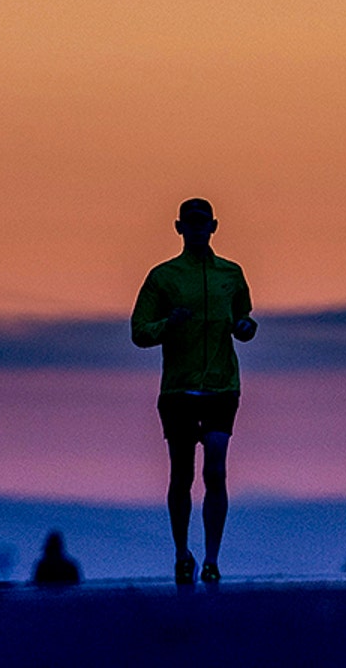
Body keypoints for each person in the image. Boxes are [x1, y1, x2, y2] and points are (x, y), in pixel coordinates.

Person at [130, 197, 258, 585]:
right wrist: (170, 323)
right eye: (191, 223)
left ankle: (212, 559)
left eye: (204, 224)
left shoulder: (231, 274)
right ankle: (182, 552)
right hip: (179, 390)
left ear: (214, 227)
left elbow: (244, 317)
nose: (198, 229)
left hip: (221, 385)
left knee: (216, 470)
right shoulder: (163, 277)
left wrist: (245, 328)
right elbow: (139, 332)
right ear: (179, 227)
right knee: (182, 474)